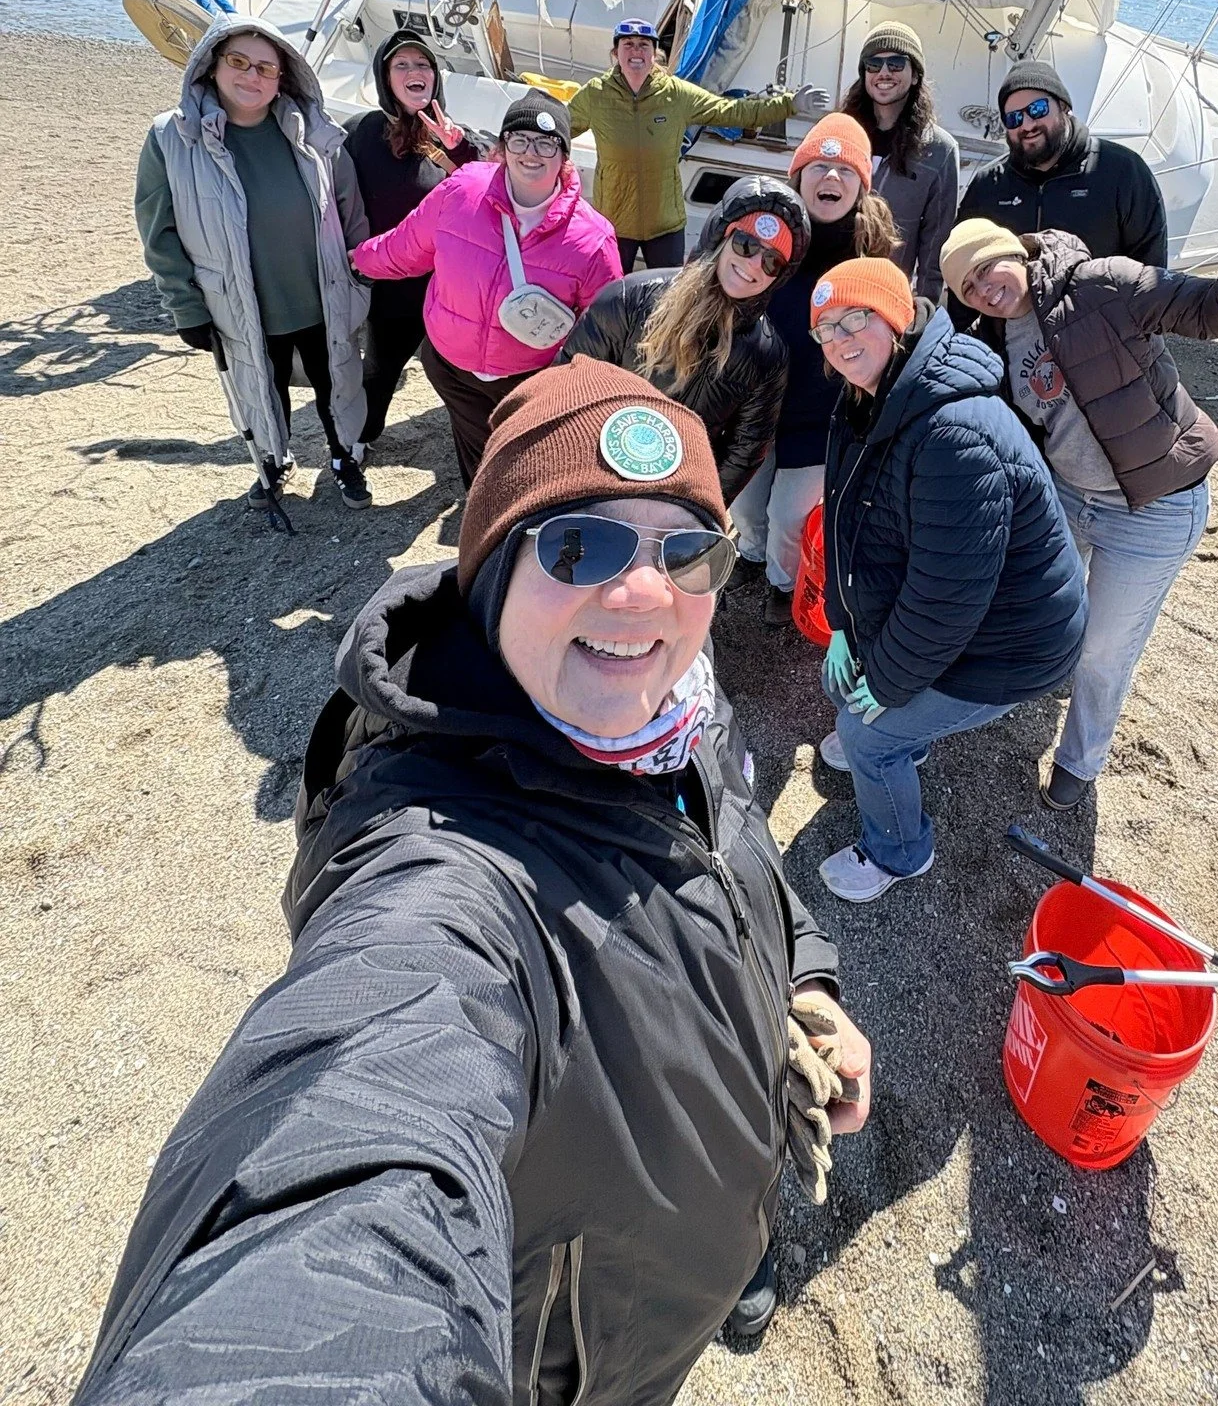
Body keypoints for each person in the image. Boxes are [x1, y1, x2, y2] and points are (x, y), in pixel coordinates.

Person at [73, 360, 872, 1404]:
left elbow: (729, 841)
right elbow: (347, 1144)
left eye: (687, 547)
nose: (644, 590)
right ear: (490, 572)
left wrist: (801, 981)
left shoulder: (676, 703)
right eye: (580, 543)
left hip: (693, 1236)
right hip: (579, 1358)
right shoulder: (447, 878)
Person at [939, 216, 1218, 810]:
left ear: (1010, 252)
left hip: (1154, 505)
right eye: (968, 287)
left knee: (1104, 647)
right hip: (1069, 495)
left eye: (986, 268)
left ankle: (1080, 759)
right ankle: (1018, 690)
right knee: (1041, 607)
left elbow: (1206, 311)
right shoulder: (993, 336)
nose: (985, 289)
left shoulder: (1100, 284)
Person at [810, 258, 1087, 902]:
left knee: (865, 731)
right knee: (859, 692)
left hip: (1011, 644)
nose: (843, 341)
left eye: (858, 319)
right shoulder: (865, 399)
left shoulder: (952, 431)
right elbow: (851, 523)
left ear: (898, 317)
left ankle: (900, 851)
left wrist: (888, 682)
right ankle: (911, 735)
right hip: (965, 623)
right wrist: (846, 628)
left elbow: (946, 600)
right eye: (826, 331)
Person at [134, 15, 373, 510]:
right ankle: (272, 458)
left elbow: (350, 211)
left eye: (266, 68)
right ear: (212, 66)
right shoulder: (171, 140)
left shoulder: (314, 134)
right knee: (261, 385)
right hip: (242, 301)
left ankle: (343, 457)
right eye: (238, 62)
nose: (252, 77)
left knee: (337, 382)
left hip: (320, 293)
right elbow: (159, 234)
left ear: (283, 77)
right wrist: (186, 307)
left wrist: (357, 273)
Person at [350, 94, 620, 486]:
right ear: (502, 146)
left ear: (564, 156)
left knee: (529, 469)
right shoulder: (461, 190)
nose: (532, 153)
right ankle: (483, 521)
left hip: (528, 378)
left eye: (547, 142)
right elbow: (406, 246)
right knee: (479, 468)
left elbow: (604, 328)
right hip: (452, 368)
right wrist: (358, 259)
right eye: (520, 139)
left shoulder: (593, 238)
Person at [728, 114, 899, 625]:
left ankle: (784, 583)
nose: (830, 178)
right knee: (744, 501)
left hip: (823, 415)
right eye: (818, 165)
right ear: (797, 177)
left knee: (789, 516)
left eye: (845, 170)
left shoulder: (872, 256)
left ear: (862, 186)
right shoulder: (768, 239)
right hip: (757, 405)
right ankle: (750, 555)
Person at [558, 175, 810, 503]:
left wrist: (696, 509)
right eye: (745, 244)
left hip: (672, 502)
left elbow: (746, 449)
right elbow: (565, 387)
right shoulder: (631, 298)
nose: (753, 264)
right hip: (592, 480)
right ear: (721, 236)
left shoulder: (767, 354)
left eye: (773, 261)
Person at [567, 17, 828, 271]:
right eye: (629, 44)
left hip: (665, 226)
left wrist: (790, 104)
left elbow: (732, 111)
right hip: (613, 223)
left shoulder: (677, 94)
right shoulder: (595, 95)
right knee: (610, 299)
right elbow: (561, 128)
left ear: (655, 53)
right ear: (615, 52)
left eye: (644, 45)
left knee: (667, 301)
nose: (636, 51)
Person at [343, 30, 491, 445]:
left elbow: (486, 189)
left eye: (423, 64)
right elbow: (329, 201)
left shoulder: (451, 134)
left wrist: (458, 148)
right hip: (388, 282)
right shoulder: (360, 133)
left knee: (461, 369)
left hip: (446, 281)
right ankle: (359, 441)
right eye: (402, 65)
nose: (415, 71)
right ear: (385, 78)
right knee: (382, 368)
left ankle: (480, 442)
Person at [955, 61, 1168, 272]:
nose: (1027, 125)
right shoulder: (986, 187)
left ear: (1064, 107)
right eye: (1014, 118)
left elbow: (1150, 274)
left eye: (1038, 109)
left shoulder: (1123, 172)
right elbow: (963, 266)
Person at [837, 20, 958, 301]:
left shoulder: (940, 151)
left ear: (915, 75)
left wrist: (924, 311)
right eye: (873, 64)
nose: (883, 73)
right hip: (827, 283)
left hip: (884, 295)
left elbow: (934, 247)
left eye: (896, 64)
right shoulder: (841, 131)